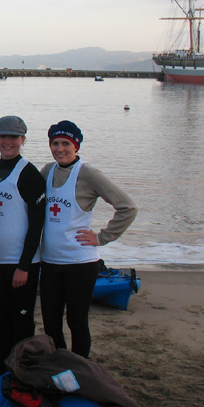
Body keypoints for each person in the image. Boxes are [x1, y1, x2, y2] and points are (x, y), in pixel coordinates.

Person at [40, 120, 137, 358]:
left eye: (66, 144)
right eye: (55, 143)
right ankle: (60, 364)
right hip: (50, 262)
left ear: (77, 146)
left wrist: (102, 237)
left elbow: (127, 207)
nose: (60, 149)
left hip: (80, 263)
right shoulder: (46, 171)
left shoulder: (89, 174)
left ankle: (80, 368)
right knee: (51, 324)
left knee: (76, 321)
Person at [0, 116, 46, 391]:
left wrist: (24, 266)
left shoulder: (29, 174)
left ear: (23, 140)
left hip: (21, 263)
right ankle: (1, 375)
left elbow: (37, 224)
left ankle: (22, 376)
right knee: (2, 322)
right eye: (2, 137)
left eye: (13, 138)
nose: (7, 142)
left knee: (22, 323)